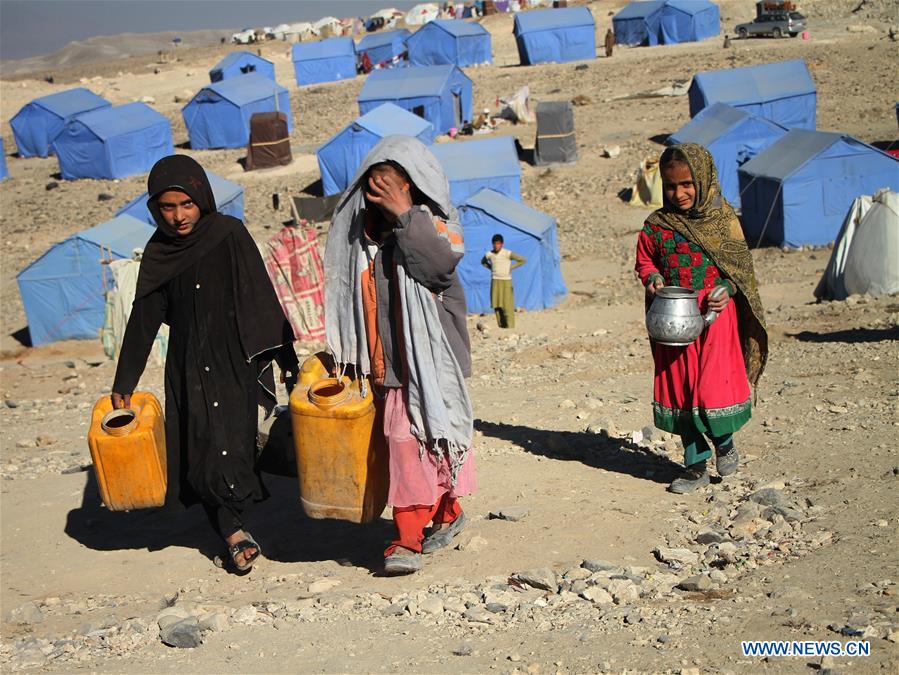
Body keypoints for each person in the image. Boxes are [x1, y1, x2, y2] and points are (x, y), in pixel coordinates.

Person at [112, 155, 298, 572]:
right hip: (188, 364)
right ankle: (232, 532)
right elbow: (143, 320)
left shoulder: (229, 234)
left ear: (201, 199)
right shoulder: (159, 253)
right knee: (203, 445)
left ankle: (235, 513)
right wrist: (125, 378)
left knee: (233, 440)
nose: (178, 217)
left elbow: (262, 297)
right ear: (154, 209)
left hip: (234, 359)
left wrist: (287, 358)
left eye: (186, 205)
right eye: (167, 207)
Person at [324, 135, 476, 575]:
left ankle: (407, 539)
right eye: (375, 192)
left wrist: (405, 214)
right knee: (422, 445)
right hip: (383, 367)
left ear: (414, 187)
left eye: (393, 189)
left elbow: (436, 267)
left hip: (427, 365)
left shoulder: (434, 227)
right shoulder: (362, 245)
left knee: (411, 446)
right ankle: (447, 512)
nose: (383, 200)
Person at [634, 144, 767, 494]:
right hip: (672, 319)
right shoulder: (656, 226)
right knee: (680, 391)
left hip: (716, 319)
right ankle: (694, 467)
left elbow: (740, 272)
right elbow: (645, 261)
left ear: (704, 179)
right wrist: (653, 279)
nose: (679, 194)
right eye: (671, 186)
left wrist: (725, 288)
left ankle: (723, 442)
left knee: (712, 387)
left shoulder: (723, 221)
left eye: (687, 184)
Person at [481, 234, 526, 329]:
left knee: (507, 305)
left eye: (498, 244)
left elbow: (522, 260)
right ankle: (502, 326)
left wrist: (512, 267)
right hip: (495, 281)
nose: (496, 246)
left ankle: (510, 327)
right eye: (494, 244)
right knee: (496, 305)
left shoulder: (507, 253)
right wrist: (491, 268)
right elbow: (483, 262)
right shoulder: (489, 254)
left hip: (506, 281)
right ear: (492, 244)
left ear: (502, 244)